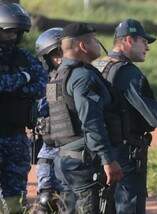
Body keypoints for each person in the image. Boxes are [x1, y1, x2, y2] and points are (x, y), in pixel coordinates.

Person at [97, 18, 157, 214]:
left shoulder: (98, 64)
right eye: (144, 41)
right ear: (129, 40)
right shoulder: (128, 73)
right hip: (124, 154)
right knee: (128, 206)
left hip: (98, 151)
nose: (147, 48)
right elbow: (154, 117)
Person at [49, 23, 123, 213]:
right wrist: (107, 159)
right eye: (95, 41)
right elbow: (92, 121)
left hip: (65, 161)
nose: (99, 45)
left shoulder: (58, 75)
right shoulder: (83, 76)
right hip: (84, 164)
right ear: (83, 46)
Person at [0, 2, 47, 213]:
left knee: (15, 201)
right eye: (8, 32)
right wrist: (23, 78)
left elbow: (42, 84)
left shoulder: (23, 57)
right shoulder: (24, 65)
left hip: (16, 138)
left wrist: (15, 83)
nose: (12, 37)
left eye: (16, 33)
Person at [34, 27, 77, 212]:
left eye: (63, 52)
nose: (60, 57)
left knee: (70, 200)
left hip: (74, 147)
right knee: (46, 199)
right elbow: (39, 109)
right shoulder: (47, 82)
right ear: (47, 58)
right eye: (55, 54)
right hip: (50, 147)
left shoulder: (81, 76)